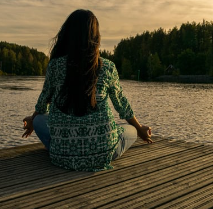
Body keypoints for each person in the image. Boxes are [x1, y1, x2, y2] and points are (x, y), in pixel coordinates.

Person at [22, 9, 152, 171]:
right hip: (104, 153)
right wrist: (140, 129)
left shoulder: (55, 66)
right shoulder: (107, 67)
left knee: (40, 119)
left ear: (67, 35)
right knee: (130, 130)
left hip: (62, 156)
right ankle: (107, 141)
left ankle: (64, 147)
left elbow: (43, 103)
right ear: (96, 37)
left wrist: (33, 120)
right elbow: (122, 106)